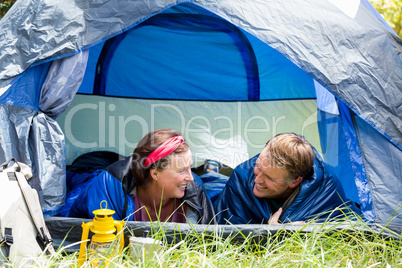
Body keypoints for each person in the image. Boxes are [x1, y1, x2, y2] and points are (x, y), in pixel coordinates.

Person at [68, 129, 216, 224]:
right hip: (91, 165)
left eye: (190, 167)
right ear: (155, 173)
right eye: (182, 170)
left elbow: (210, 243)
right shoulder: (110, 184)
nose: (190, 177)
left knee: (215, 185)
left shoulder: (194, 188)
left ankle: (211, 172)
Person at [213, 132, 359, 224]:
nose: (256, 180)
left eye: (269, 177)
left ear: (295, 181)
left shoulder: (326, 189)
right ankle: (211, 170)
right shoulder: (243, 175)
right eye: (258, 167)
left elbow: (343, 232)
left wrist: (295, 235)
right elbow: (223, 226)